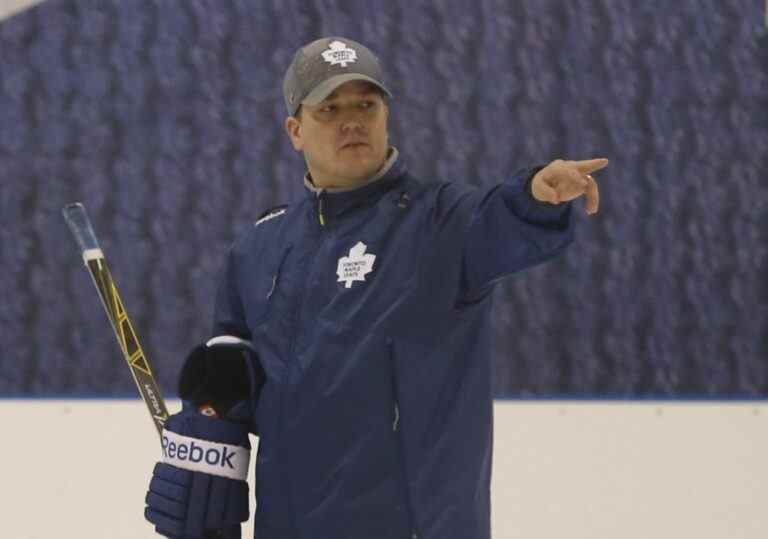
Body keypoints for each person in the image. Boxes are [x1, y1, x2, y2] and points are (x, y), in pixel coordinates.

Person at [145, 36, 608, 539]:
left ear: (386, 114)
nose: (352, 120)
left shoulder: (442, 222)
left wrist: (536, 196)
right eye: (330, 108)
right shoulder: (258, 247)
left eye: (366, 103)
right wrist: (207, 435)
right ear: (295, 130)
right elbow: (238, 376)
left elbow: (501, 224)